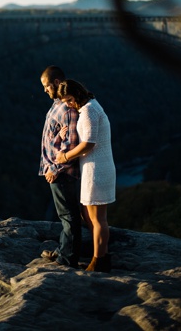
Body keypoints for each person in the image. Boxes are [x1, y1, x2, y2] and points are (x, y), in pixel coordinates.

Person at [55, 78, 116, 272]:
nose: (68, 104)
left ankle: (99, 261)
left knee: (98, 219)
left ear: (78, 94)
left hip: (96, 169)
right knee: (91, 216)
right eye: (65, 101)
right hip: (96, 167)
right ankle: (101, 256)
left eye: (69, 100)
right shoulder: (90, 107)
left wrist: (64, 156)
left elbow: (89, 143)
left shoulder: (89, 111)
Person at [38, 65, 82, 267]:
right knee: (65, 215)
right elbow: (57, 137)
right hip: (54, 170)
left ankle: (68, 258)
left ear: (56, 83)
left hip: (62, 173)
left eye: (47, 86)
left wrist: (53, 170)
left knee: (69, 216)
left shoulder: (67, 108)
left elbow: (72, 145)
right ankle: (63, 250)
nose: (45, 90)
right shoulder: (58, 103)